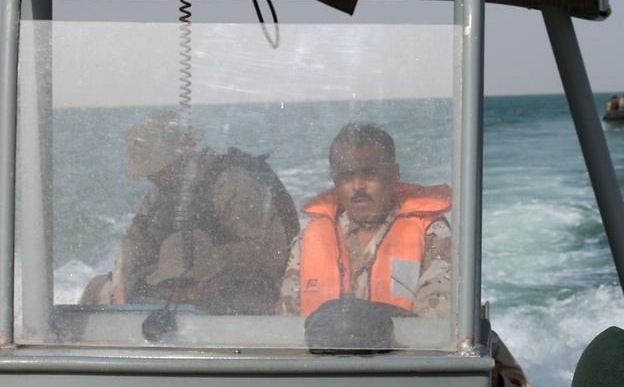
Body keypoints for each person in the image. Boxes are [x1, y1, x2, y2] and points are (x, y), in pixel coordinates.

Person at [82, 110, 300, 314]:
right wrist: (121, 281)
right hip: (180, 285)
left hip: (247, 286)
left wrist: (208, 268)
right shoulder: (161, 191)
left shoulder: (233, 185)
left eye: (155, 170)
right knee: (97, 291)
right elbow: (137, 239)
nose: (150, 178)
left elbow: (272, 251)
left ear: (176, 160)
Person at [277, 122, 451, 318]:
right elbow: (287, 325)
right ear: (335, 180)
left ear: (394, 174)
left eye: (369, 173)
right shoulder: (307, 241)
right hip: (320, 348)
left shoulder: (432, 234)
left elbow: (437, 326)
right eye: (346, 175)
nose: (358, 185)